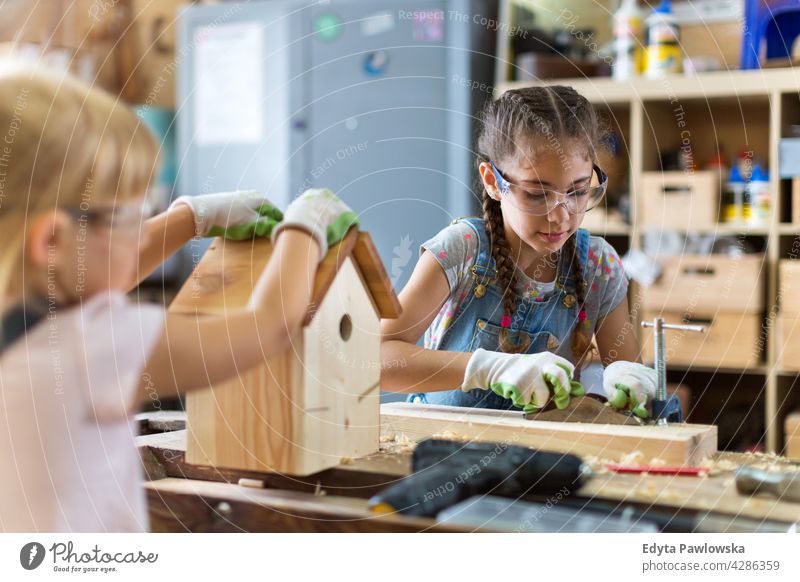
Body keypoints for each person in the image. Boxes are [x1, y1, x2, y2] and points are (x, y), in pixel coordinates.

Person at [0, 67, 355, 532]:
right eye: (132, 216)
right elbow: (267, 325)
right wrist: (304, 230)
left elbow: (92, 270)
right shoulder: (91, 348)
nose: (140, 227)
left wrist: (191, 217)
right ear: (51, 241)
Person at [381, 85, 660, 417]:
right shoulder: (462, 250)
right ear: (492, 181)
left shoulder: (598, 266)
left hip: (540, 460)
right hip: (443, 450)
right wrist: (487, 368)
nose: (560, 215)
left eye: (578, 191)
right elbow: (379, 359)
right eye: (537, 194)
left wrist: (629, 380)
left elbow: (628, 384)